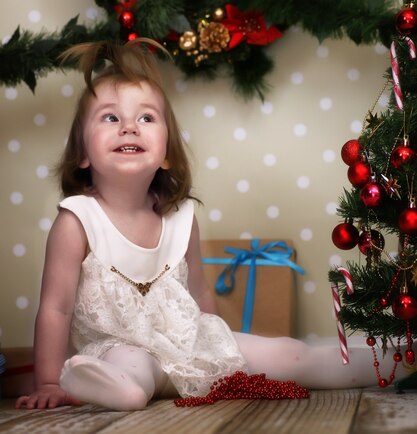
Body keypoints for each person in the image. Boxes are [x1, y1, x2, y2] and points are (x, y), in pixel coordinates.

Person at [16, 40, 411, 411]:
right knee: (134, 364)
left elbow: (200, 295)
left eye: (146, 117)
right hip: (118, 349)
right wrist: (47, 381)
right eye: (110, 117)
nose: (129, 126)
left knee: (290, 353)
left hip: (190, 342)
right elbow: (55, 307)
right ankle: (116, 389)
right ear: (82, 153)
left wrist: (223, 351)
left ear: (167, 154)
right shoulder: (77, 220)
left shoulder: (181, 217)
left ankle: (388, 360)